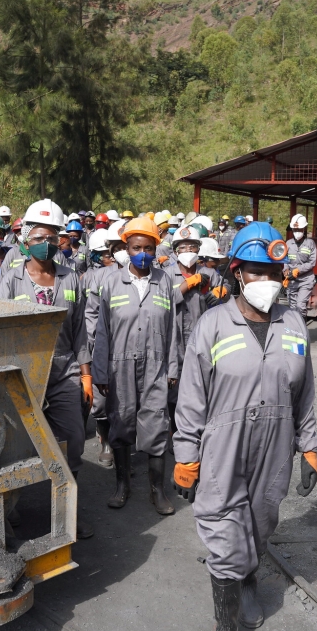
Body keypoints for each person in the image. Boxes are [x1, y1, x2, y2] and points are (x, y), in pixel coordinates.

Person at [172, 222, 317, 631]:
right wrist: (186, 454)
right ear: (237, 272)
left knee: (260, 520)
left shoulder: (293, 324)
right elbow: (191, 398)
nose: (267, 281)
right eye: (257, 271)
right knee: (222, 530)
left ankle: (248, 578)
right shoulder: (212, 325)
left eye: (274, 273)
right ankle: (227, 625)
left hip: (276, 444)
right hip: (224, 443)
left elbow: (304, 392)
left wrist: (308, 446)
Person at [0, 199, 93, 539]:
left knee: (73, 441)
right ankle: (9, 507)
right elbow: (0, 329)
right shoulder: (10, 280)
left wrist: (86, 374)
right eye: (40, 236)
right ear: (25, 238)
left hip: (64, 370)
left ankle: (67, 511)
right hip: (21, 372)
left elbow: (81, 328)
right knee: (14, 443)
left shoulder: (71, 278)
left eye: (53, 238)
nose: (47, 243)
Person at [93, 217, 178, 515]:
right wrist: (100, 371)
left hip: (156, 364)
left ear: (156, 250)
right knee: (121, 422)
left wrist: (173, 368)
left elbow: (172, 329)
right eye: (136, 247)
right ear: (126, 249)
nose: (142, 253)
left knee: (156, 423)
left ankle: (158, 491)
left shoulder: (165, 280)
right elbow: (101, 330)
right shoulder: (110, 281)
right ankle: (122, 486)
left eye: (148, 248)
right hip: (119, 365)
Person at [163, 225, 227, 434]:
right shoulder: (166, 275)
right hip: (175, 339)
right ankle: (176, 431)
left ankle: (203, 430)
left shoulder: (209, 273)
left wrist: (223, 293)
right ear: (175, 252)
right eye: (183, 247)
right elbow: (163, 302)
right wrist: (188, 284)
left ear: (199, 249)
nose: (188, 250)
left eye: (192, 246)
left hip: (205, 338)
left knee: (205, 384)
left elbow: (225, 302)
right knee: (176, 388)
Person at [82, 228, 117, 468]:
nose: (112, 256)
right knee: (102, 400)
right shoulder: (94, 278)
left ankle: (123, 444)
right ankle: (106, 441)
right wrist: (93, 346)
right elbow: (90, 314)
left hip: (130, 347)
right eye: (106, 252)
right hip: (102, 347)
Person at [286, 214, 317, 319]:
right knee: (292, 307)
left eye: (299, 229)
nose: (297, 232)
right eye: (295, 229)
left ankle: (302, 327)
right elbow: (284, 259)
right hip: (292, 281)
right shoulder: (288, 244)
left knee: (300, 305)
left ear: (304, 228)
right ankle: (294, 328)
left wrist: (298, 270)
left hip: (306, 280)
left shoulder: (310, 244)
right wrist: (285, 270)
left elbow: (312, 262)